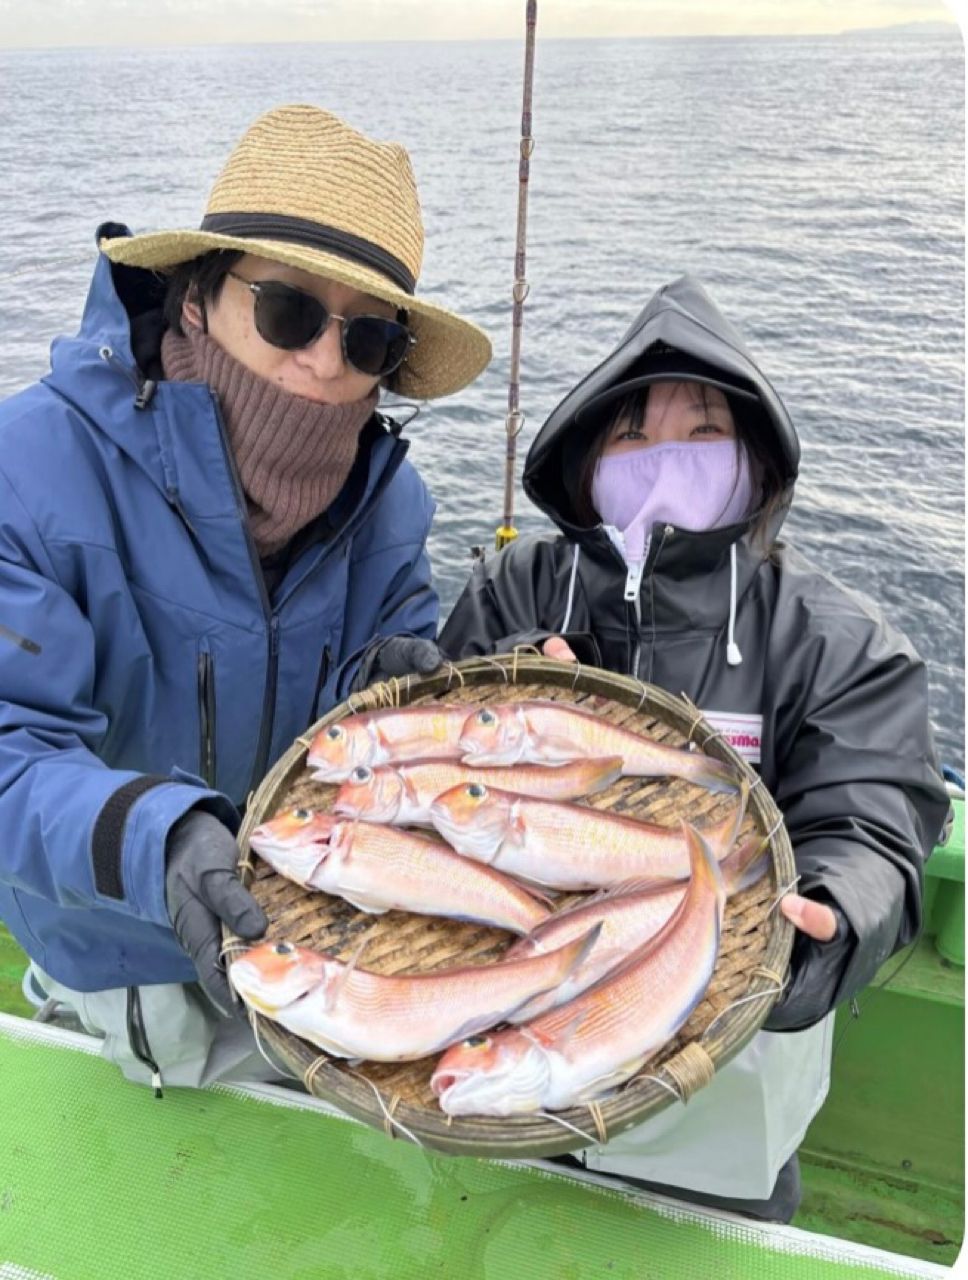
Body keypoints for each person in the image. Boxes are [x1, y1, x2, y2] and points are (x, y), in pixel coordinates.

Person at [439, 274, 948, 1221]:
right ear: (587, 459)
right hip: (509, 1041)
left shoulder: (836, 638)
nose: (664, 457)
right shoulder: (517, 586)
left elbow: (873, 817)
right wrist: (500, 691)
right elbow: (432, 758)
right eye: (631, 433)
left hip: (726, 1073)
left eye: (703, 430)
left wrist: (830, 920)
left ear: (755, 461)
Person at [0, 104, 489, 1087]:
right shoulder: (31, 465)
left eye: (369, 339)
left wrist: (387, 682)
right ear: (194, 298)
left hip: (319, 939)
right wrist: (160, 834)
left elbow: (366, 685)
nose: (321, 362)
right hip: (126, 955)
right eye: (289, 312)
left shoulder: (389, 501)